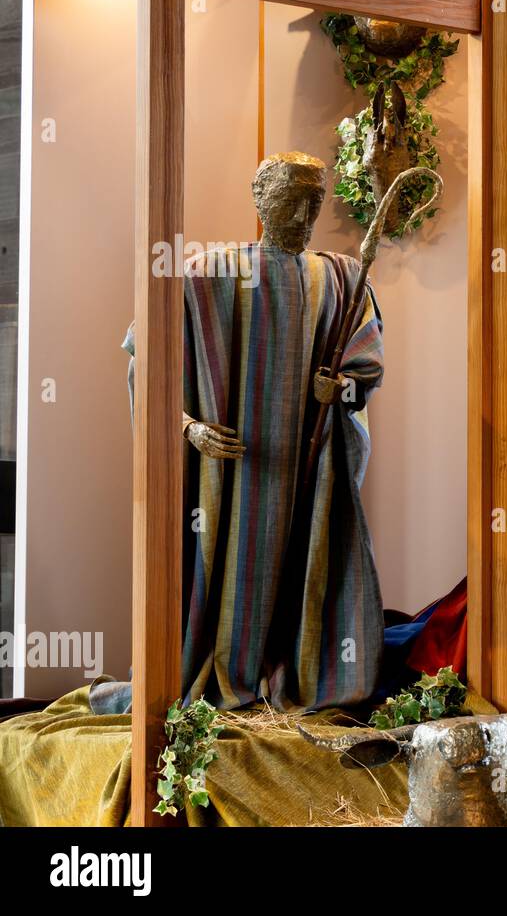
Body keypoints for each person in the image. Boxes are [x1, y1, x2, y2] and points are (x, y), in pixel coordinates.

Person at [109, 152, 385, 714]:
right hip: (229, 479)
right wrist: (188, 428)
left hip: (307, 473)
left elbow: (365, 371)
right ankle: (221, 672)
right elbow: (147, 362)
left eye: (314, 199)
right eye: (290, 197)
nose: (304, 212)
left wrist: (340, 390)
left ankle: (294, 672)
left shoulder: (341, 278)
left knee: (302, 576)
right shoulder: (206, 273)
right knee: (229, 579)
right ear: (259, 198)